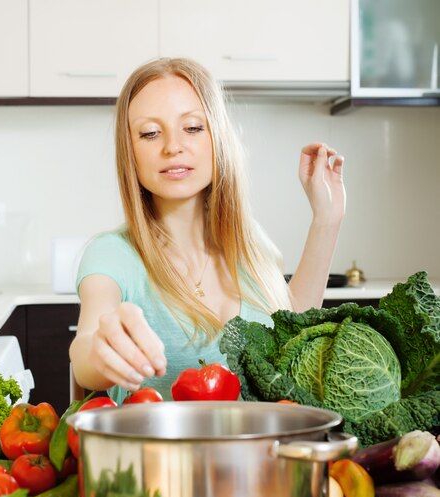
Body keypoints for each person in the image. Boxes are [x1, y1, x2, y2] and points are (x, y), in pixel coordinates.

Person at [69, 57, 345, 404]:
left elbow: (295, 329)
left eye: (193, 127)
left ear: (217, 137)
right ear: (130, 152)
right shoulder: (113, 254)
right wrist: (98, 352)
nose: (172, 146)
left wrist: (327, 219)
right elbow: (85, 350)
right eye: (150, 133)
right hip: (164, 459)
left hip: (263, 454)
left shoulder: (250, 239)